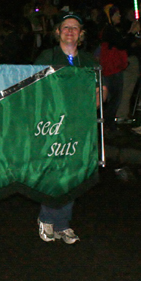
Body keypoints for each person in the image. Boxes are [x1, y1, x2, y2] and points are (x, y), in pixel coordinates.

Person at [34, 13, 106, 244]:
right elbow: (32, 87)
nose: (70, 31)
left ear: (81, 34)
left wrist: (92, 105)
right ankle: (46, 219)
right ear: (57, 32)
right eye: (66, 28)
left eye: (75, 28)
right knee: (53, 171)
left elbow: (101, 90)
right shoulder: (48, 56)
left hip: (78, 126)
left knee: (73, 173)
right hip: (52, 124)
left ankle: (63, 223)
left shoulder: (88, 61)